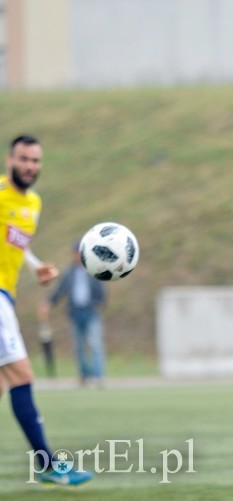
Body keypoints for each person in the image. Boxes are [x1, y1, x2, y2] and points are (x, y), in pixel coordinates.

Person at [0, 135, 95, 486]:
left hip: (5, 295)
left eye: (35, 161)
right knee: (22, 376)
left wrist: (36, 266)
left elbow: (14, 242)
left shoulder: (33, 204)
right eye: (23, 159)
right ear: (9, 160)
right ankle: (48, 462)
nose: (29, 166)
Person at [39, 241, 107, 387]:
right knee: (79, 346)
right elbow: (60, 290)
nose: (77, 256)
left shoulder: (94, 270)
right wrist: (49, 303)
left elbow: (101, 290)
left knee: (95, 344)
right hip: (75, 312)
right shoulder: (69, 272)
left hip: (91, 311)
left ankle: (98, 376)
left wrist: (98, 306)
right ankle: (84, 375)